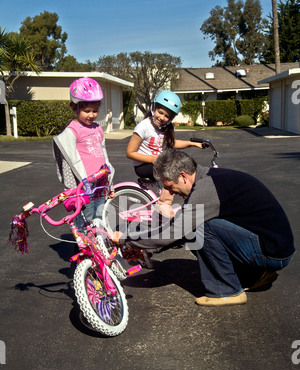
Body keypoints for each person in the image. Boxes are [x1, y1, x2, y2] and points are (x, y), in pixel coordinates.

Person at [112, 148, 295, 306]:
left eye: (170, 186)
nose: (170, 192)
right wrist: (148, 250)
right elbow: (179, 233)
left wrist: (125, 240)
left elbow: (173, 232)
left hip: (271, 252)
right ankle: (255, 276)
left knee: (200, 227)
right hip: (274, 245)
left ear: (183, 176)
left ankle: (226, 291)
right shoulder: (209, 178)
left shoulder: (205, 191)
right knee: (197, 226)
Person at [126, 90, 205, 216]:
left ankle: (189, 199)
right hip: (144, 165)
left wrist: (192, 144)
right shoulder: (143, 127)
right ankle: (164, 204)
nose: (162, 118)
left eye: (167, 116)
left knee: (184, 168)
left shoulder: (167, 128)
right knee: (172, 172)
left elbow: (171, 143)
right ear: (154, 108)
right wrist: (153, 159)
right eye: (160, 112)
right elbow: (130, 152)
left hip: (159, 162)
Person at [53, 77, 115, 230]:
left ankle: (98, 245)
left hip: (100, 181)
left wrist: (109, 184)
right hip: (85, 184)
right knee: (85, 216)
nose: (91, 115)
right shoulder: (73, 129)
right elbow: (66, 153)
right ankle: (84, 247)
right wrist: (72, 186)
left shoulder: (98, 128)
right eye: (86, 111)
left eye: (94, 111)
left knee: (100, 214)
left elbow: (104, 153)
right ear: (76, 109)